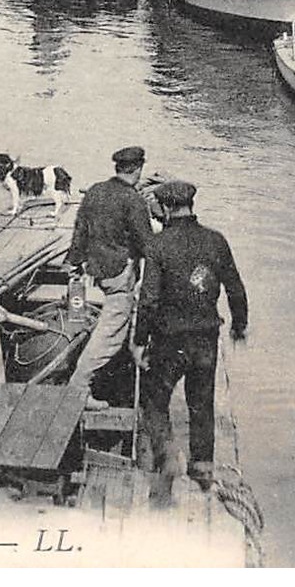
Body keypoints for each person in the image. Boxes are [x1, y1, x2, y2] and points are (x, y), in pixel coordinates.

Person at [132, 179, 247, 491]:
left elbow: (149, 300)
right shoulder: (216, 241)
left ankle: (167, 455)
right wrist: (239, 325)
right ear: (190, 205)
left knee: (155, 400)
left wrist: (140, 342)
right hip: (205, 338)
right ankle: (203, 471)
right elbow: (235, 288)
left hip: (168, 340)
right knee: (202, 405)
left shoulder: (157, 246)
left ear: (167, 208)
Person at [66, 146, 155, 408]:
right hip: (118, 273)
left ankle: (82, 350)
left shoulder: (94, 190)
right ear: (138, 170)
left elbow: (80, 229)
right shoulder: (134, 199)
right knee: (112, 333)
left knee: (87, 318)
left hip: (94, 269)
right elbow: (147, 244)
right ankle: (79, 387)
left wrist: (74, 264)